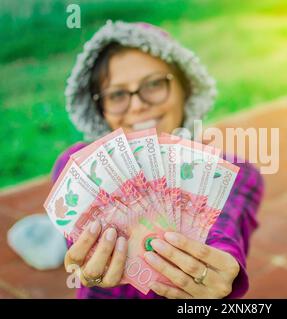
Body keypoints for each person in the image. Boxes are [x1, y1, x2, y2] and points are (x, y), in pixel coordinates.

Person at [51, 20, 264, 299]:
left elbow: (225, 232)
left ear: (185, 88)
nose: (138, 104)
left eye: (153, 84)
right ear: (100, 108)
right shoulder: (76, 165)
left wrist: (222, 269)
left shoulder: (234, 173)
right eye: (117, 94)